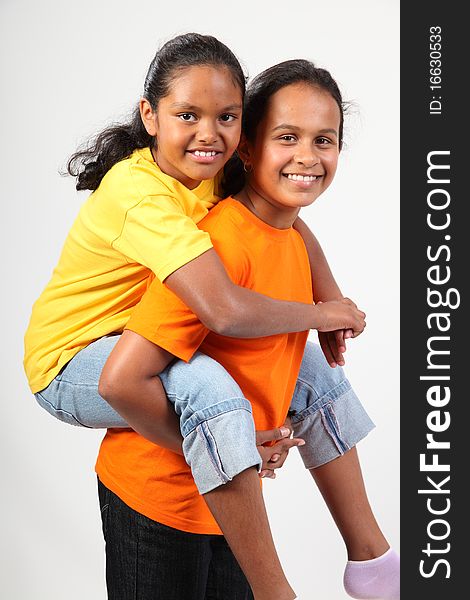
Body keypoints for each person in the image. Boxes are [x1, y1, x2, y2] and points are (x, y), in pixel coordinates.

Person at [97, 59, 400, 600]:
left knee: (320, 379)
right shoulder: (216, 247)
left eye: (324, 140)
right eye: (288, 137)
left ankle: (372, 558)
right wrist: (324, 313)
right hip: (157, 500)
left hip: (233, 505)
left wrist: (329, 297)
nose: (308, 156)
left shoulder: (287, 237)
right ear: (248, 148)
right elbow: (122, 380)